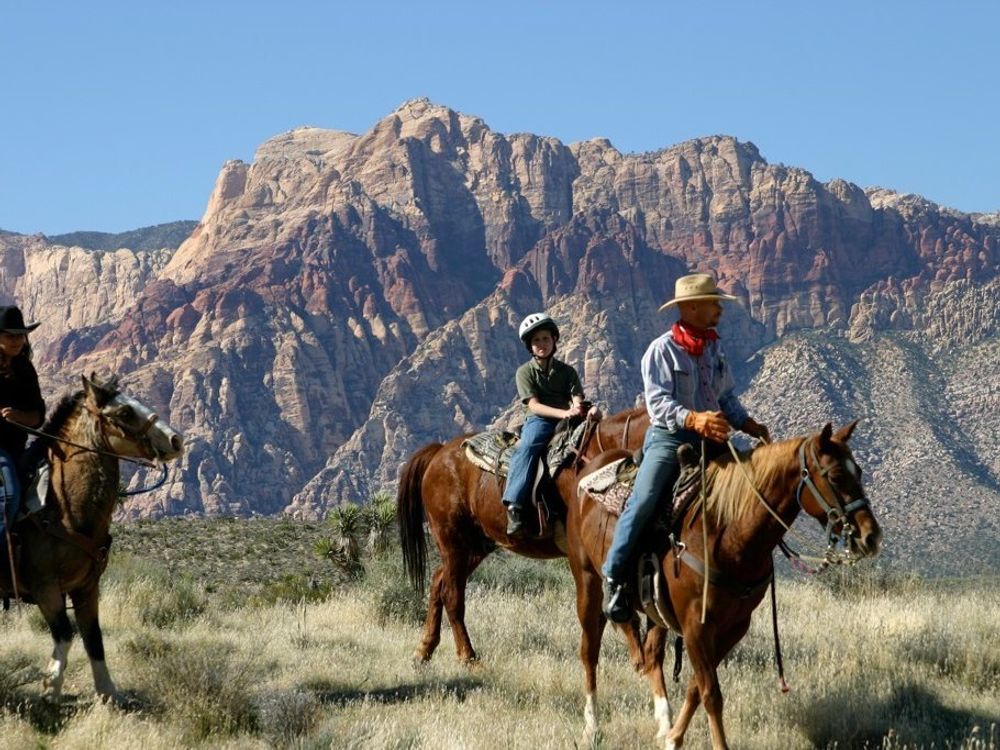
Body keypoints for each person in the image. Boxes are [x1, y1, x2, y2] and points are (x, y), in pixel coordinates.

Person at [601, 273, 770, 622]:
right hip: (670, 438)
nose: (719, 309)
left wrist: (747, 424)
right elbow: (658, 404)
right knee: (645, 499)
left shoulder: (713, 347)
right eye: (713, 303)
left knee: (752, 491)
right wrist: (693, 420)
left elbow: (725, 396)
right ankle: (614, 576)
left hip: (713, 437)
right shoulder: (661, 350)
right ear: (692, 307)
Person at [502, 313, 599, 537]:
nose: (542, 344)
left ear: (554, 340)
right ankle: (514, 505)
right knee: (528, 446)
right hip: (540, 420)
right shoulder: (524, 372)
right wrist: (563, 413)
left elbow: (577, 397)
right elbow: (534, 406)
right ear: (530, 346)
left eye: (545, 339)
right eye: (536, 341)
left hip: (568, 417)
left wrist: (579, 409)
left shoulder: (568, 371)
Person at [0, 305, 45, 546]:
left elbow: (39, 414)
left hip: (18, 447)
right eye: (10, 335)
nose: (17, 340)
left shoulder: (25, 369)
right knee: (8, 496)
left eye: (20, 335)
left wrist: (19, 416)